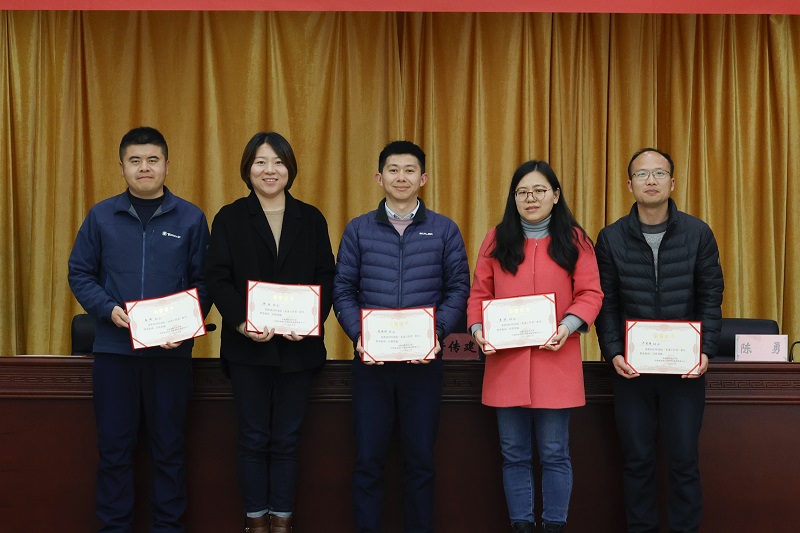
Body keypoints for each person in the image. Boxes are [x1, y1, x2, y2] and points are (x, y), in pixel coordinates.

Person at [68, 126, 210, 532]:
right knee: (114, 450)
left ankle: (168, 527)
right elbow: (80, 273)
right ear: (122, 167)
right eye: (135, 160)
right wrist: (106, 308)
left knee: (169, 449)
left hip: (171, 354)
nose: (144, 167)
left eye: (152, 160)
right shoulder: (101, 216)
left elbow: (204, 282)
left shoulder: (191, 217)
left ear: (166, 165)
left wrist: (186, 324)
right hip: (115, 353)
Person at [332, 140, 470, 533]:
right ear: (379, 178)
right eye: (393, 170)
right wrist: (359, 334)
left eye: (410, 170)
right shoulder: (359, 229)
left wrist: (435, 334)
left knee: (421, 463)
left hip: (423, 365)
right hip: (371, 365)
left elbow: (459, 288)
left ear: (423, 178)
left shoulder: (444, 229)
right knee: (367, 462)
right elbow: (343, 289)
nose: (401, 177)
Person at [205, 131, 335, 533]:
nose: (270, 170)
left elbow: (326, 276)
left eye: (278, 162)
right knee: (252, 437)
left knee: (288, 439)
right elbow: (217, 278)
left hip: (298, 351)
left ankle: (282, 521)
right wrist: (241, 321)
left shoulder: (311, 218)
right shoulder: (229, 217)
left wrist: (310, 320)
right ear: (248, 169)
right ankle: (255, 522)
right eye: (260, 162)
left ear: (290, 168)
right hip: (248, 349)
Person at [467, 160, 603, 533]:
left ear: (555, 195)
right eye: (522, 192)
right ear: (513, 197)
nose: (531, 198)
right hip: (506, 362)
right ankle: (522, 525)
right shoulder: (496, 239)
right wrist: (478, 329)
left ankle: (554, 525)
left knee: (555, 453)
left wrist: (567, 325)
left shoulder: (575, 240)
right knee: (513, 454)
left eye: (539, 191)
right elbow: (479, 294)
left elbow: (590, 293)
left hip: (555, 359)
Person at [594, 148, 724, 533]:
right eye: (642, 174)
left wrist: (705, 350)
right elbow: (606, 302)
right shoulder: (611, 238)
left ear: (672, 182)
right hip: (632, 370)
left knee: (683, 461)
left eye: (659, 173)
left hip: (684, 370)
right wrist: (613, 351)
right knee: (637, 461)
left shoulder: (698, 233)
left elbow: (711, 296)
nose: (651, 181)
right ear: (629, 184)